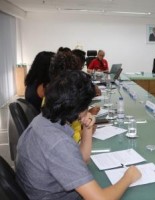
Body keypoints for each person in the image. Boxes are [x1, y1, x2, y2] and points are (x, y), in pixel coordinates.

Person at [16, 70, 142, 200]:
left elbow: (82, 160)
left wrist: (87, 129)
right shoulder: (59, 143)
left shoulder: (45, 119)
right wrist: (129, 177)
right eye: (86, 105)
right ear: (77, 108)